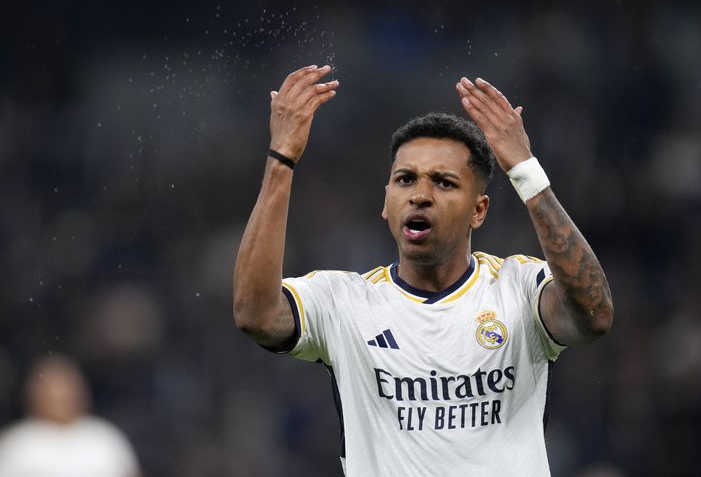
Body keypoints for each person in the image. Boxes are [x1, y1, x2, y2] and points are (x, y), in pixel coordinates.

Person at [233, 64, 614, 476]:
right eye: (405, 179)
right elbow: (255, 314)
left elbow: (594, 315)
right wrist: (281, 160)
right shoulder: (344, 302)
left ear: (479, 210)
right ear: (385, 203)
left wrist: (524, 171)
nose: (419, 195)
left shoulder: (518, 288)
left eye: (444, 182)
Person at [0, 355, 140, 477]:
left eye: (67, 388)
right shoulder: (17, 443)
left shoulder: (105, 436)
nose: (61, 396)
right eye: (52, 389)